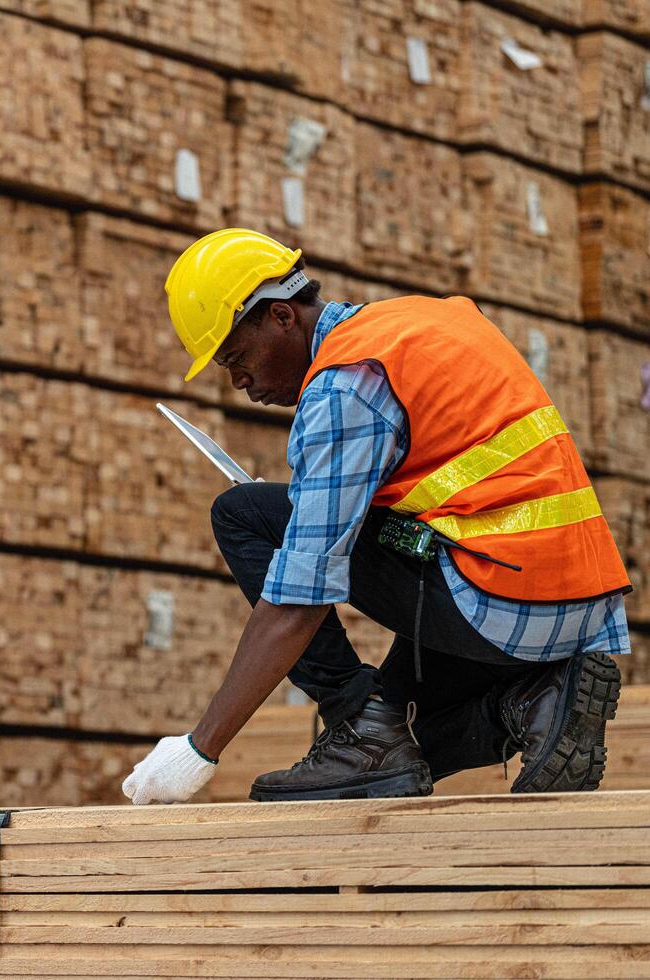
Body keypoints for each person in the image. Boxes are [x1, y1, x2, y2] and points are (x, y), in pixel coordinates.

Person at [122, 228, 631, 805]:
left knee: (246, 514)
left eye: (238, 358)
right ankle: (533, 701)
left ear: (282, 317)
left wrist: (199, 749)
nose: (240, 383)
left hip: (497, 595)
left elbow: (300, 597)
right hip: (569, 602)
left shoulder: (346, 385)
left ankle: (360, 723)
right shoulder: (425, 321)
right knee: (396, 756)